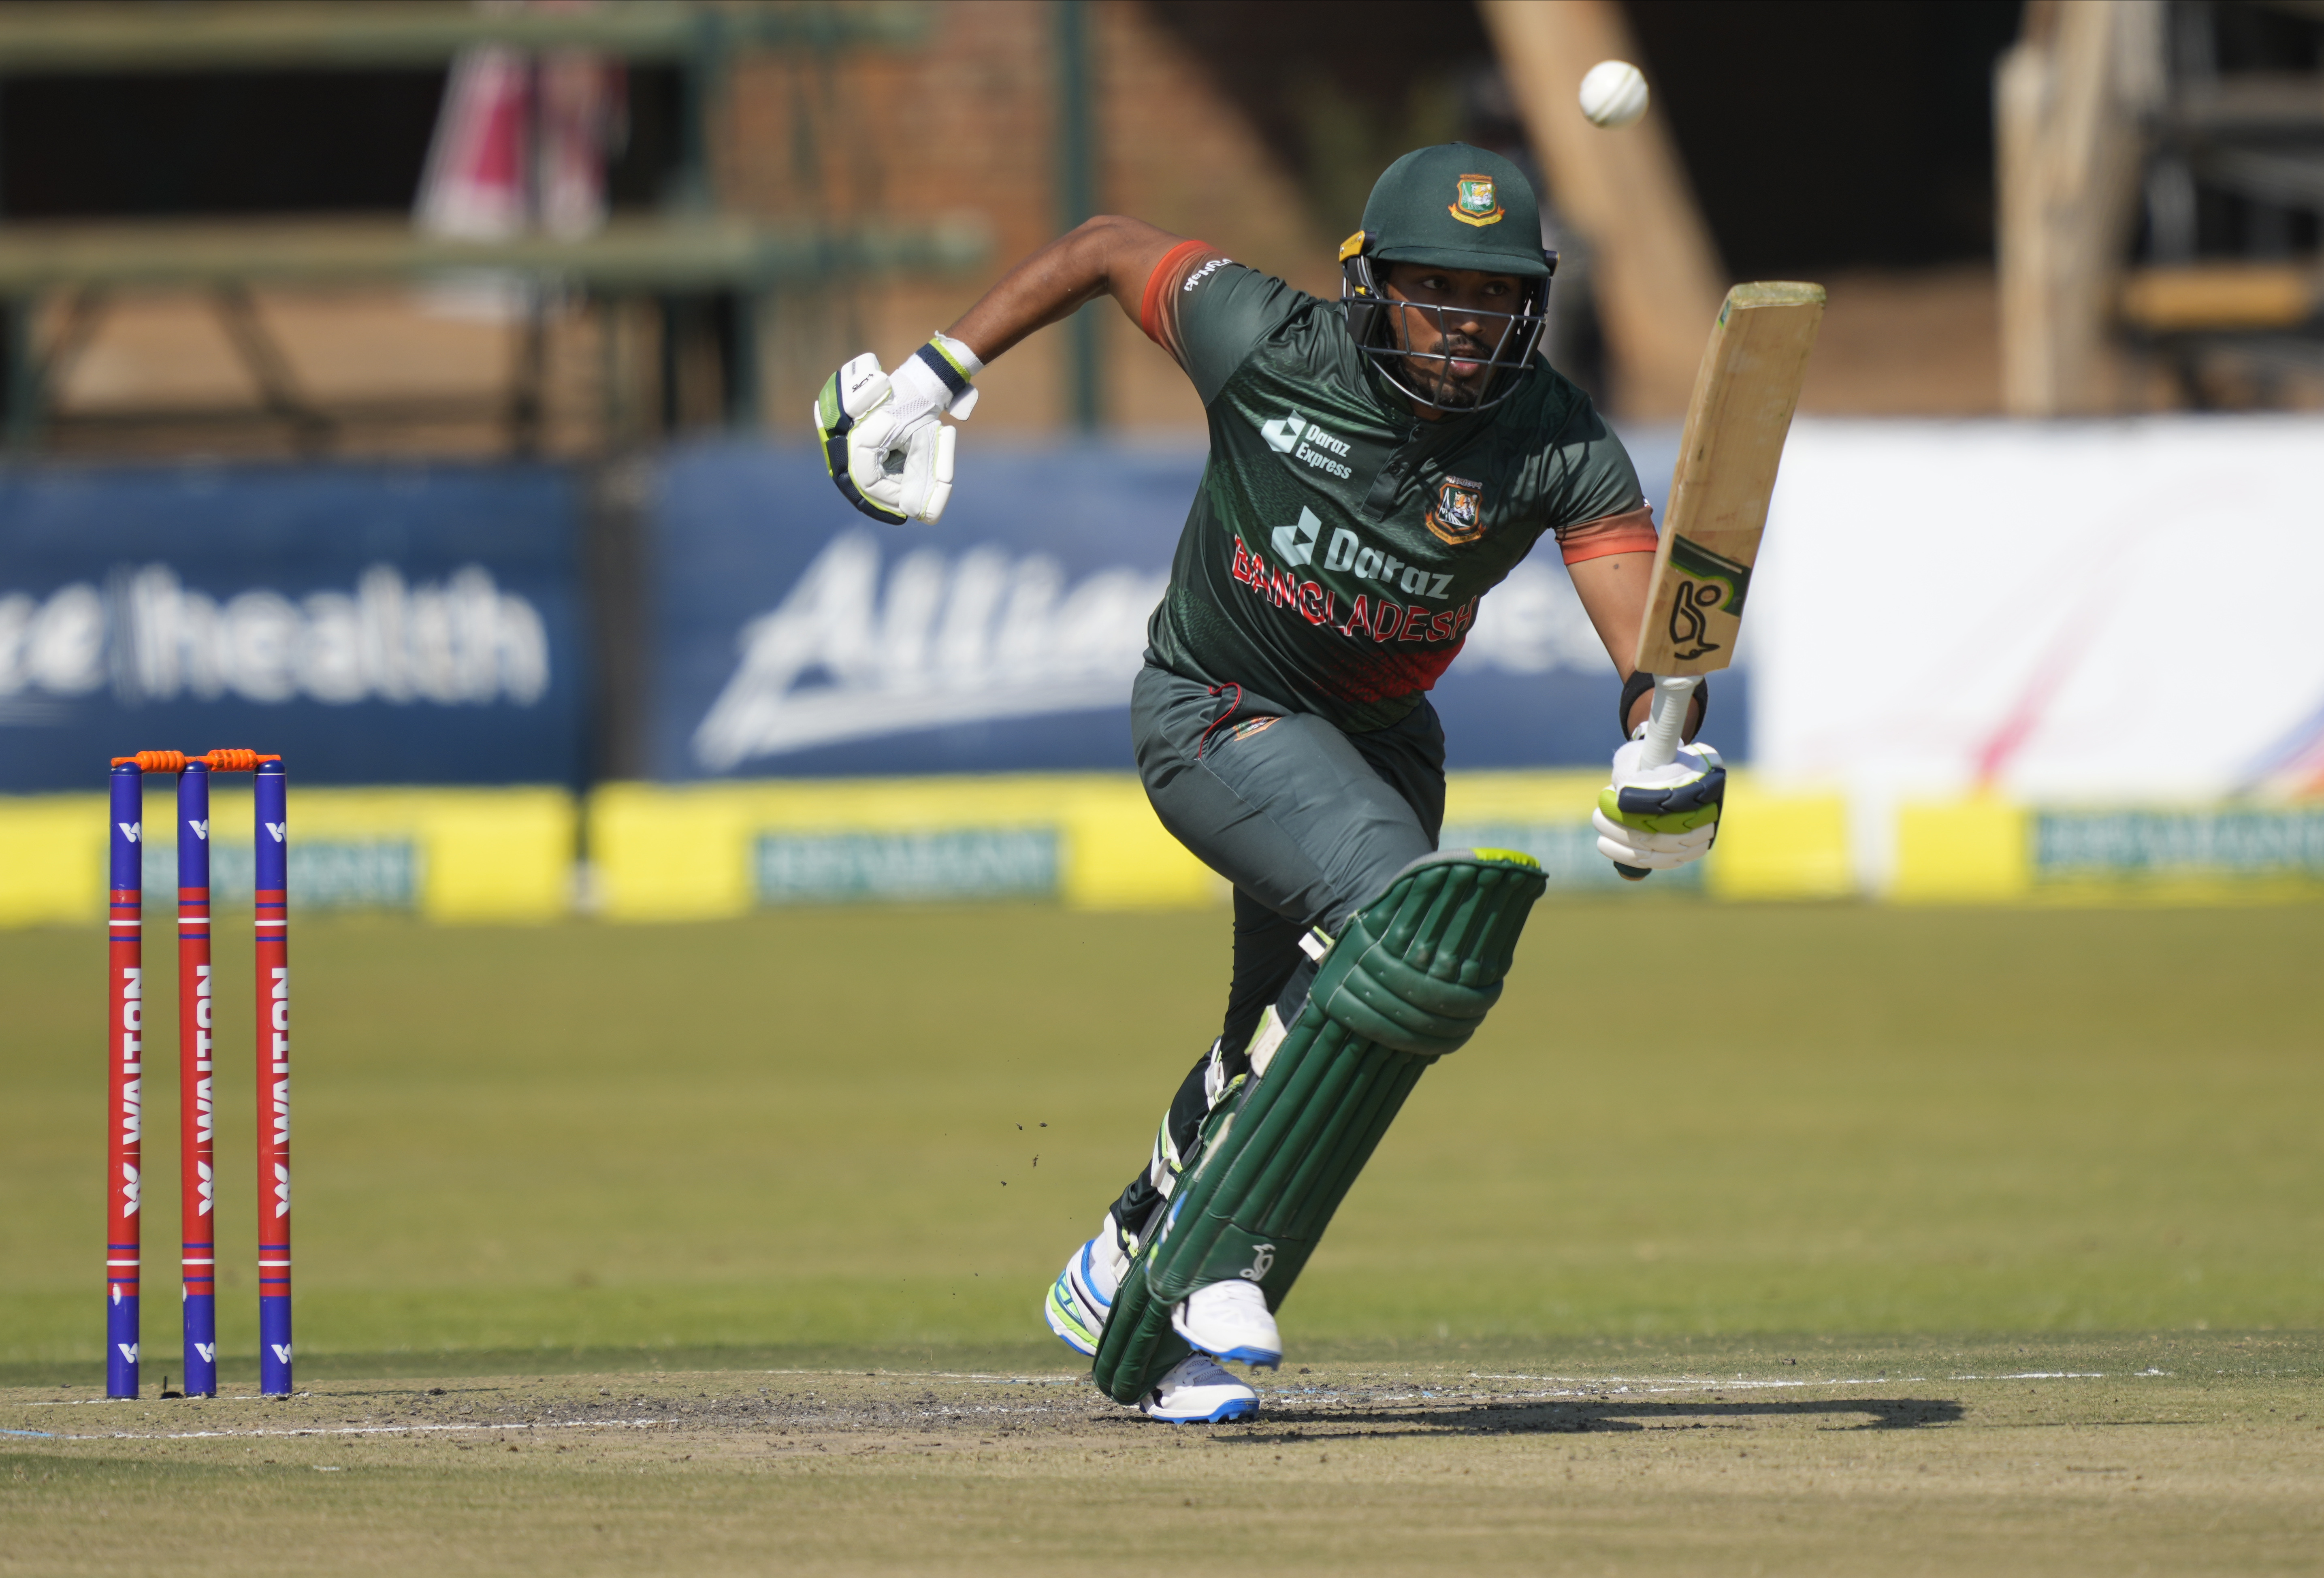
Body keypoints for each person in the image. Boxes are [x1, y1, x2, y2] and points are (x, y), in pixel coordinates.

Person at [816, 144, 1722, 1422]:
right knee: (1402, 930)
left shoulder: (1556, 440)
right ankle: (1220, 1272)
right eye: (1436, 289)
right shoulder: (1266, 339)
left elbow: (1647, 653)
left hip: (1378, 747)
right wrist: (932, 378)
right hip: (1214, 710)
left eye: (1496, 295)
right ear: (1371, 284)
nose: (1468, 322)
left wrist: (1661, 749)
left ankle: (1131, 1274)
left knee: (1306, 1037)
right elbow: (1102, 247)